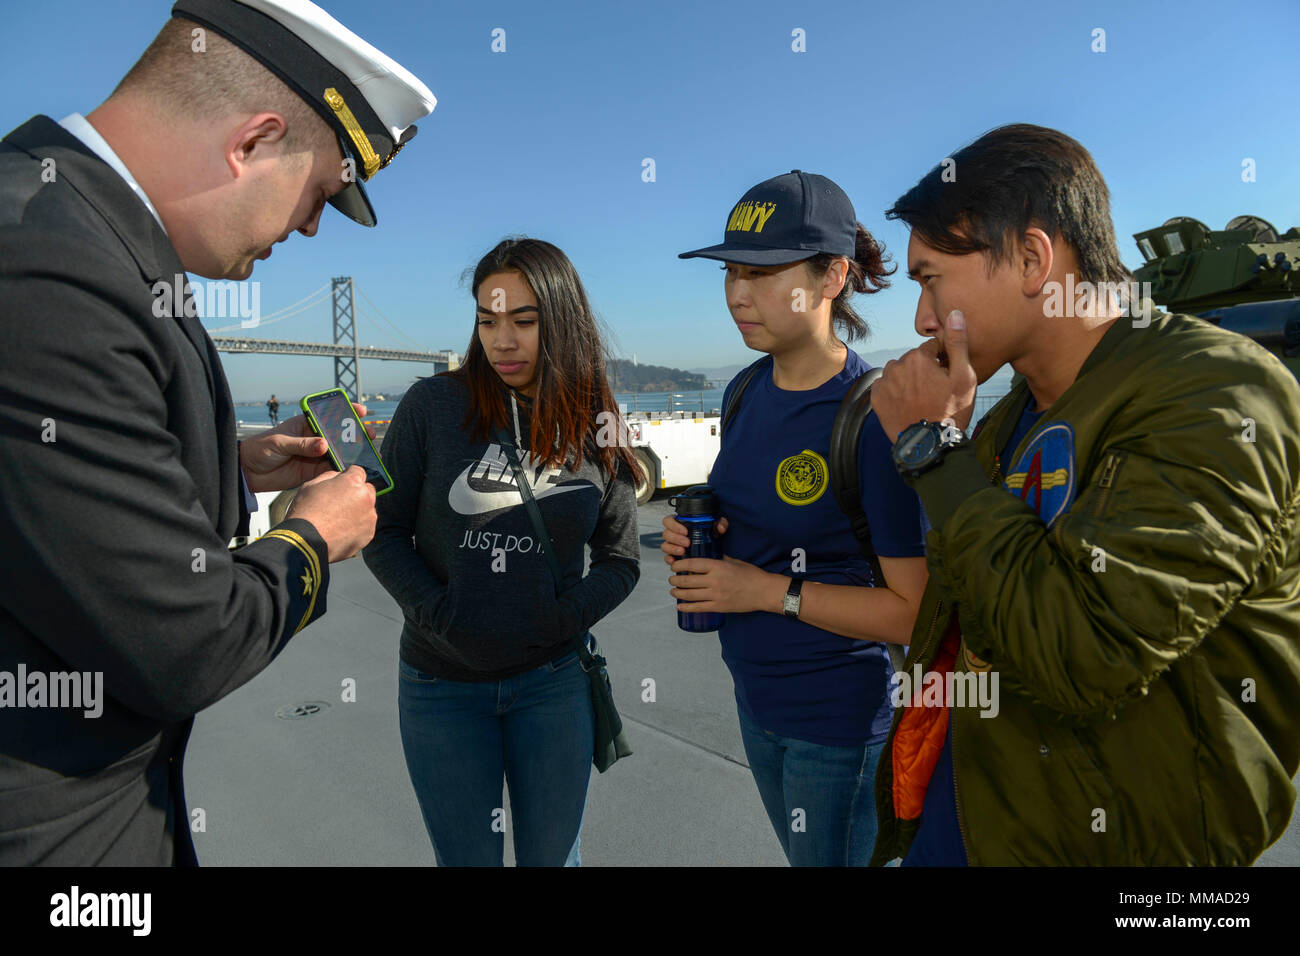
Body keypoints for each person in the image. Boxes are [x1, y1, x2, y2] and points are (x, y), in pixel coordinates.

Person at [0, 0, 435, 865]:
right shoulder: (52, 264)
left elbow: (58, 493)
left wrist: (235, 470)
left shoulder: (68, 223)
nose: (310, 226)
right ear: (253, 142)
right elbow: (185, 646)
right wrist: (312, 538)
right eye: (318, 194)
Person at [868, 123, 1300, 865]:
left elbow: (1085, 654)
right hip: (978, 816)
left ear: (1035, 259)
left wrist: (932, 452)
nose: (920, 320)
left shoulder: (1221, 393)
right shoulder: (1003, 420)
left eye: (932, 278)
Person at [662, 171, 929, 866]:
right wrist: (697, 539)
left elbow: (912, 613)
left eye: (763, 272)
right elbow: (755, 520)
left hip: (837, 722)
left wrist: (764, 591)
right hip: (756, 703)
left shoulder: (871, 418)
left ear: (833, 276)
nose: (737, 294)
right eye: (730, 273)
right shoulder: (744, 389)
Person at [363, 237, 640, 866]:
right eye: (488, 321)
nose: (502, 342)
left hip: (554, 686)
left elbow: (622, 559)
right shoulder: (433, 406)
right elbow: (383, 529)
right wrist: (438, 612)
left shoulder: (599, 420)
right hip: (441, 687)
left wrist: (560, 620)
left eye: (524, 321)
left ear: (562, 321)